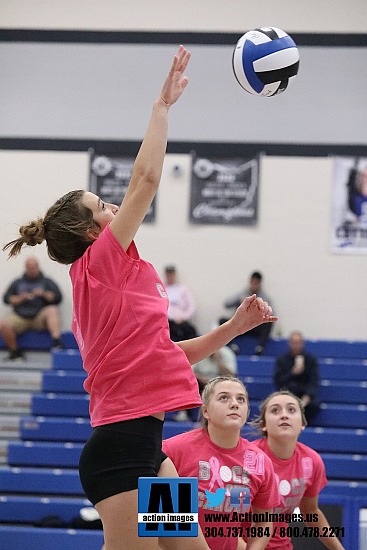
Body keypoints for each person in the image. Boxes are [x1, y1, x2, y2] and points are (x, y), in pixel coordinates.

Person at [3, 46, 277, 550]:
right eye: (101, 205)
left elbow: (166, 355)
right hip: (119, 452)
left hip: (149, 449)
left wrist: (233, 330)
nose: (112, 206)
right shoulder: (98, 265)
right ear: (90, 233)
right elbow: (146, 182)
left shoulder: (127, 277)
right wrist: (162, 106)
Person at [163, 376, 280, 550]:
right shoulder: (173, 450)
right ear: (205, 411)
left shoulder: (260, 461)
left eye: (241, 399)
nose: (234, 404)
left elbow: (264, 523)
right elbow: (161, 526)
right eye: (224, 397)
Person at [250, 390, 345, 550]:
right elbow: (229, 520)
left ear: (302, 423)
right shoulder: (249, 458)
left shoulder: (312, 461)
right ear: (264, 425)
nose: (284, 415)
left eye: (292, 410)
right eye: (275, 410)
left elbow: (310, 512)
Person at [0, 256, 63, 360]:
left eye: (33, 267)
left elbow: (57, 297)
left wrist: (43, 294)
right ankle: (14, 351)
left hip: (39, 317)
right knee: (3, 323)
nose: (32, 270)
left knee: (52, 310)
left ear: (38, 267)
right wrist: (20, 298)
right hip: (21, 317)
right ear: (25, 268)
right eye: (29, 267)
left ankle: (57, 342)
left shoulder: (47, 282)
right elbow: (7, 299)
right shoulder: (18, 282)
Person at [175, 346, 238, 422]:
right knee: (187, 382)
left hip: (219, 384)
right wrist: (202, 379)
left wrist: (219, 361)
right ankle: (184, 412)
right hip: (201, 382)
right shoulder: (199, 350)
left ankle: (224, 415)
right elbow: (189, 371)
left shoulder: (227, 353)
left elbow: (231, 376)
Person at [221, 271, 274, 356]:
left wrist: (260, 307)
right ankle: (232, 346)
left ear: (260, 283)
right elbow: (226, 304)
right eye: (252, 282)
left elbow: (271, 313)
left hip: (254, 326)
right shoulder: (243, 294)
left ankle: (260, 347)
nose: (254, 285)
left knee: (269, 323)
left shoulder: (265, 297)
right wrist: (240, 300)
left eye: (256, 283)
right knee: (222, 321)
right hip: (241, 325)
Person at [274, 331, 320, 424]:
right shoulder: (282, 360)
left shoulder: (310, 360)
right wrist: (292, 372)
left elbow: (314, 380)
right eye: (294, 343)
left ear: (302, 343)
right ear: (289, 343)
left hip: (304, 394)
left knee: (314, 405)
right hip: (288, 392)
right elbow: (278, 380)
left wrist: (308, 395)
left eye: (298, 343)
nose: (296, 346)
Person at [164, 264, 198, 341]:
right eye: (168, 274)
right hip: (167, 322)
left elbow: (191, 305)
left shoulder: (182, 289)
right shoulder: (161, 288)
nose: (170, 276)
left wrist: (184, 317)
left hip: (182, 321)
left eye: (171, 274)